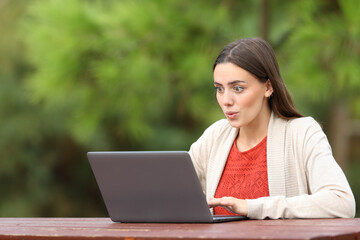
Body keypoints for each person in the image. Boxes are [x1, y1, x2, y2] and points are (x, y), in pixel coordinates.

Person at [188, 37, 355, 219]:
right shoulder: (214, 136)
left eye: (237, 88)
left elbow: (341, 202)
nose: (226, 100)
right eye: (220, 89)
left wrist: (252, 207)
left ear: (268, 87)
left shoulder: (302, 133)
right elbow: (169, 192)